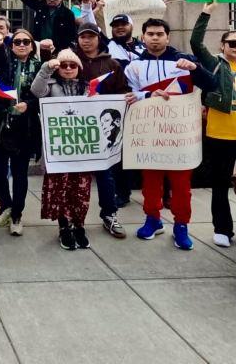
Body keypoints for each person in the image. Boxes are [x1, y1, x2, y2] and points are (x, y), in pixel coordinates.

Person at [123, 18, 212, 250]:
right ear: (143, 37)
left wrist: (196, 68)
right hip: (149, 132)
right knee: (151, 182)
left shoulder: (185, 61)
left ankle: (181, 225)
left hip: (180, 134)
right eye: (150, 34)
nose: (155, 38)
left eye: (159, 34)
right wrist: (146, 96)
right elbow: (128, 95)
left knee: (181, 184)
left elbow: (212, 85)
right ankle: (152, 218)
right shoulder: (133, 66)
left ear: (167, 37)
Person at [190, 0, 236, 248]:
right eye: (232, 43)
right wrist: (205, 13)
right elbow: (196, 44)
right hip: (220, 136)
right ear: (223, 46)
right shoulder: (216, 64)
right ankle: (222, 228)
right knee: (220, 184)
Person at [31, 49, 95, 250]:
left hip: (81, 148)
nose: (68, 69)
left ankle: (79, 225)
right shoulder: (49, 85)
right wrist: (46, 69)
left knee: (81, 189)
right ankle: (64, 226)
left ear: (79, 68)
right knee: (61, 188)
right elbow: (36, 90)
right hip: (58, 147)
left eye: (72, 65)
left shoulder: (88, 87)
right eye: (64, 65)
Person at [0, 27, 45, 236]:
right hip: (1, 125)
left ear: (32, 46)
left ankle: (17, 214)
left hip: (25, 128)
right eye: (17, 42)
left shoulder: (40, 67)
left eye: (25, 42)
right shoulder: (4, 64)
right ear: (12, 46)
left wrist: (29, 105)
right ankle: (7, 205)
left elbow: (44, 98)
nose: (21, 45)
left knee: (20, 173)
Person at [73, 22, 131, 229]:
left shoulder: (112, 64)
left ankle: (109, 214)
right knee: (76, 177)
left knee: (105, 175)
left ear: (98, 38)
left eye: (90, 36)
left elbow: (123, 91)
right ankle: (75, 218)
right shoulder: (70, 60)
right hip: (76, 127)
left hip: (102, 129)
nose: (86, 41)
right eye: (82, 37)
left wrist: (105, 99)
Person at [8, 0, 77, 53]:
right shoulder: (41, 6)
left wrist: (65, 51)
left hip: (58, 51)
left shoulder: (68, 14)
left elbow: (72, 36)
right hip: (39, 49)